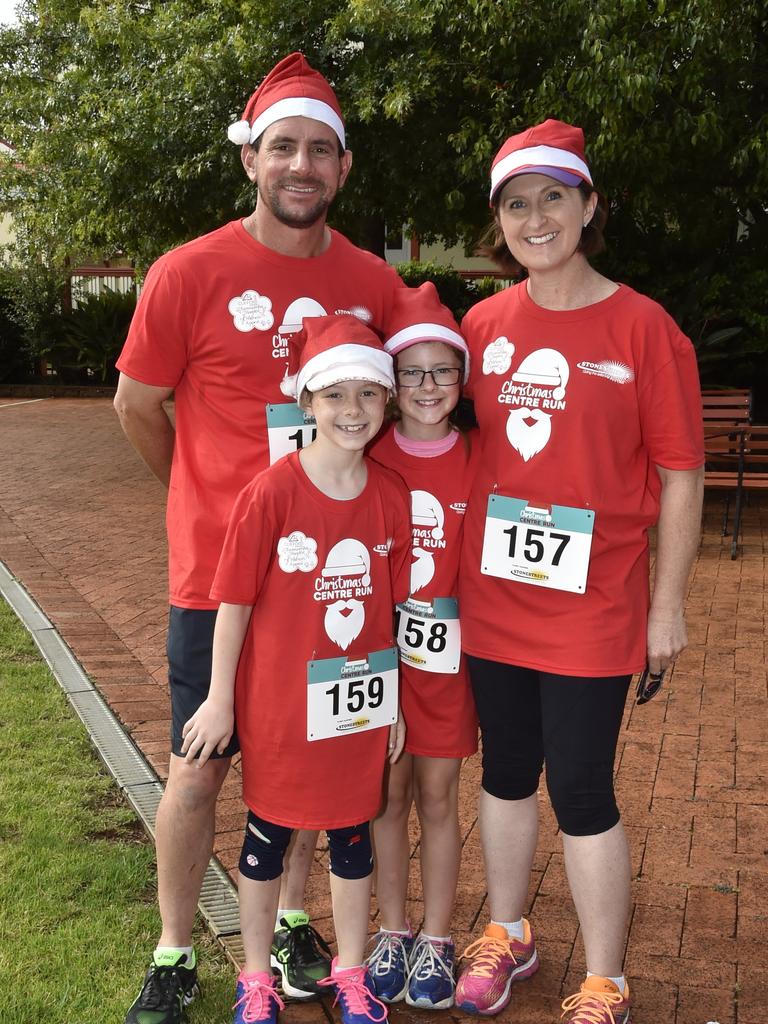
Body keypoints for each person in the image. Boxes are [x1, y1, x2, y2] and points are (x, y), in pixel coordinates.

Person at [114, 52, 406, 1024]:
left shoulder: (371, 277)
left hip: (337, 586)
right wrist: (206, 498)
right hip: (221, 579)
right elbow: (139, 403)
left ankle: (289, 922)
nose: (301, 165)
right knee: (201, 763)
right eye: (283, 145)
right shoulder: (187, 272)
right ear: (251, 157)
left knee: (314, 756)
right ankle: (173, 948)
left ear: (344, 168)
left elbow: (425, 395)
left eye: (321, 149)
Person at [453, 120, 704, 1023]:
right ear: (500, 224)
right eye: (516, 204)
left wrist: (665, 606)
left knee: (583, 786)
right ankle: (509, 930)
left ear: (588, 205)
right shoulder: (481, 326)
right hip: (494, 601)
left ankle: (606, 980)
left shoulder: (643, 328)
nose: (535, 217)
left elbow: (682, 473)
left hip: (597, 604)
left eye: (553, 197)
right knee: (507, 769)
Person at [179, 314, 412, 1024]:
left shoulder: (390, 495)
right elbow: (234, 604)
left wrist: (393, 700)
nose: (352, 410)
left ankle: (348, 972)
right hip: (280, 708)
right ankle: (257, 978)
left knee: (351, 837)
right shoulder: (271, 494)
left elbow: (390, 610)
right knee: (267, 839)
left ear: (387, 403)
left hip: (355, 709)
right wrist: (220, 699)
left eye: (368, 395)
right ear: (306, 402)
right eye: (335, 395)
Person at [365, 283, 478, 1010]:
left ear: (462, 381)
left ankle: (437, 937)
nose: (428, 387)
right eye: (412, 373)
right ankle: (390, 927)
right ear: (391, 385)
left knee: (437, 797)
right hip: (380, 659)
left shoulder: (483, 457)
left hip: (449, 664)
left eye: (442, 371)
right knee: (384, 798)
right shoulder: (368, 454)